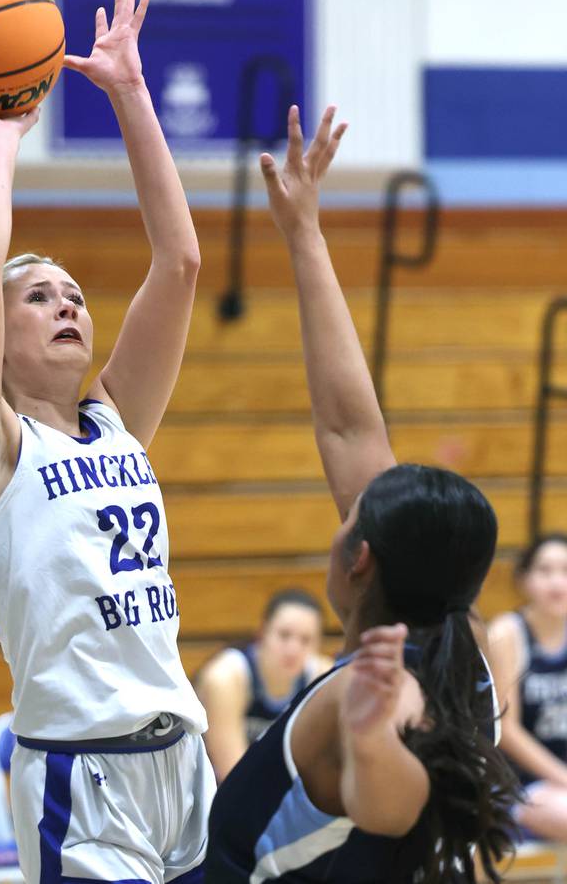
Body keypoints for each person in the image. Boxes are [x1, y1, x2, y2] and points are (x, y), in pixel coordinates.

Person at [0, 0, 214, 884]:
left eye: (75, 292)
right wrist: (0, 128)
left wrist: (130, 93)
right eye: (38, 296)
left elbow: (181, 259)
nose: (68, 302)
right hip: (81, 774)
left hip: (182, 759)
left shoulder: (116, 419)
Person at [203, 105, 519, 884]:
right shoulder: (457, 644)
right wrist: (304, 231)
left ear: (362, 558)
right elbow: (348, 425)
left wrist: (375, 740)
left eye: (350, 515)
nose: (343, 506)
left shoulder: (385, 691)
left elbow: (393, 802)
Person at [195, 589, 332, 780]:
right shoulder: (225, 678)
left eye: (305, 640)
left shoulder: (322, 678)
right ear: (262, 633)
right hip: (218, 795)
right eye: (284, 635)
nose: (293, 649)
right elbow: (235, 779)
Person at [488, 533, 567, 841]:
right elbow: (506, 731)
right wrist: (562, 777)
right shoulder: (507, 633)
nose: (557, 582)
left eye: (565, 570)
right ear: (524, 579)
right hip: (521, 782)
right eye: (545, 571)